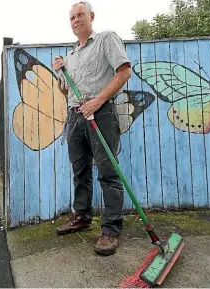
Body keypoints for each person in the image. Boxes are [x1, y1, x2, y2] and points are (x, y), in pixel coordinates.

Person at [52, 1, 132, 256]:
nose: (75, 20)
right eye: (72, 17)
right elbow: (65, 91)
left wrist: (98, 100)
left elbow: (124, 72)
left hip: (102, 113)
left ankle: (111, 229)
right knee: (80, 170)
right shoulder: (71, 55)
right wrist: (59, 73)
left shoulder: (106, 39)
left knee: (108, 172)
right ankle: (83, 217)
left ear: (91, 16)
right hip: (75, 116)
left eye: (80, 15)